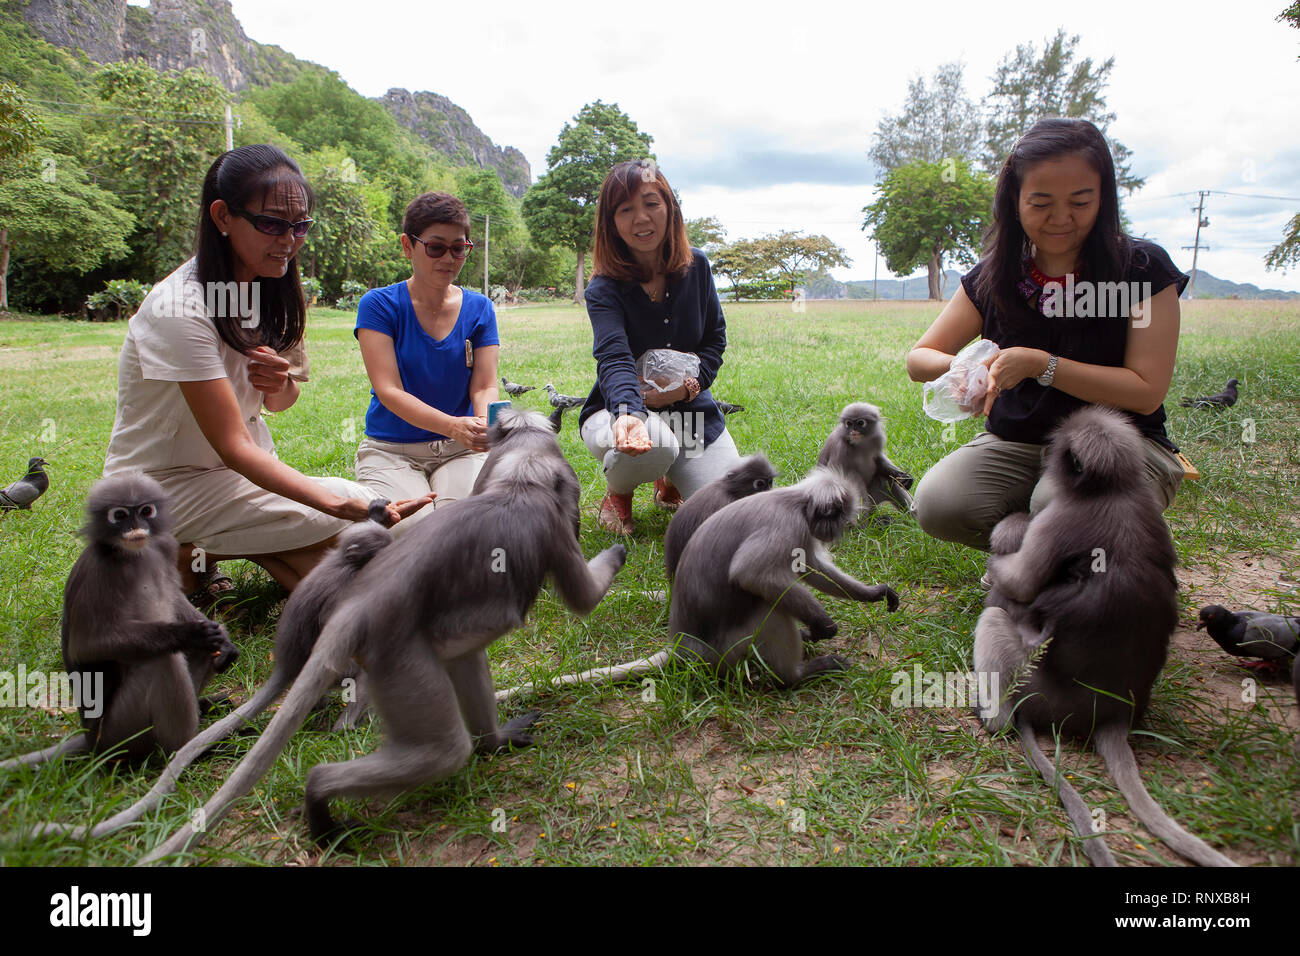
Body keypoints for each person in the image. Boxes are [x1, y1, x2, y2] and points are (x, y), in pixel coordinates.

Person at [103, 144, 428, 604]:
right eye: (272, 224)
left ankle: (195, 555)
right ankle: (174, 545)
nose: (289, 240)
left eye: (300, 226)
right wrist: (342, 505)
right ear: (222, 217)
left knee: (381, 533)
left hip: (236, 482)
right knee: (360, 516)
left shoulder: (270, 291)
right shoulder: (179, 308)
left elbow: (278, 404)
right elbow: (233, 446)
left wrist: (282, 383)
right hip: (162, 485)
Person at [906, 118, 1188, 552]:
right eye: (1040, 203)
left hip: (1119, 442)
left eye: (1080, 201)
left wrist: (1043, 365)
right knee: (940, 504)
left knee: (1059, 505)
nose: (1061, 219)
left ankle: (1095, 544)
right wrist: (966, 365)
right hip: (1018, 443)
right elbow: (919, 358)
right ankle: (1044, 551)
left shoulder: (1141, 271)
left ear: (1104, 198)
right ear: (1015, 202)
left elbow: (1145, 391)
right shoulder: (996, 275)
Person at [578, 160, 742, 534]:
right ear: (611, 223)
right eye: (626, 210)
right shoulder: (603, 289)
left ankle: (667, 482)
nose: (641, 219)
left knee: (732, 513)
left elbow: (714, 340)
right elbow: (614, 357)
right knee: (652, 444)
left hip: (691, 416)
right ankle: (618, 493)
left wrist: (686, 389)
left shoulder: (697, 266)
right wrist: (629, 413)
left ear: (670, 207)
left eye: (651, 203)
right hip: (616, 413)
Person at [352, 192, 499, 531]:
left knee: (462, 528)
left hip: (461, 449)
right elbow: (388, 390)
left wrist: (480, 423)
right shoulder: (378, 305)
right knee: (411, 530)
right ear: (408, 246)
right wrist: (451, 425)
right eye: (436, 247)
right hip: (392, 450)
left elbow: (485, 384)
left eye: (459, 248)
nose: (449, 258)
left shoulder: (480, 309)